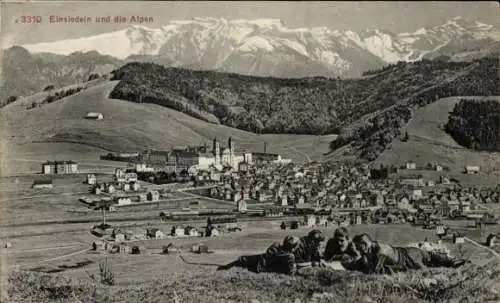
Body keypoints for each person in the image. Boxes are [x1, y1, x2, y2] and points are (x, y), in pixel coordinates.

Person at [352, 234, 470, 275]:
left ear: (363, 244)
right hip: (406, 254)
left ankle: (454, 262)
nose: (358, 249)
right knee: (430, 260)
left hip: (409, 257)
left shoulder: (380, 250)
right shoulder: (371, 248)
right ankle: (453, 262)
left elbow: (375, 270)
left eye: (358, 247)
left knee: (428, 264)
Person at [216, 235, 300, 274]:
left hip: (259, 259)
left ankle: (223, 268)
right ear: (292, 247)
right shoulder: (290, 257)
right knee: (243, 260)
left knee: (242, 260)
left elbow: (270, 254)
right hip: (261, 267)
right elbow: (291, 272)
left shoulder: (276, 245)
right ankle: (223, 269)